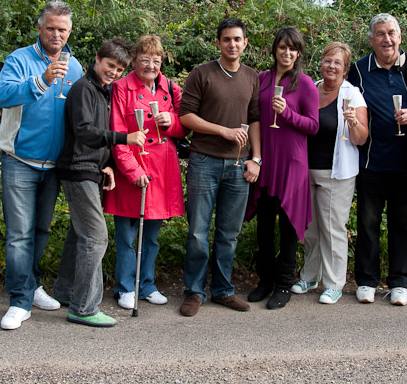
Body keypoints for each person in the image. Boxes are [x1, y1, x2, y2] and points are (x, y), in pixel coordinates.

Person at [347, 13, 407, 306]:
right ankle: (366, 280)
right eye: (380, 34)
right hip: (371, 163)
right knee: (367, 224)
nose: (386, 39)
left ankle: (399, 281)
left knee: (404, 224)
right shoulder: (359, 70)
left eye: (391, 33)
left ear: (400, 37)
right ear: (371, 39)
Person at [0, 1, 83, 330]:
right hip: (19, 160)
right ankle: (18, 301)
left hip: (55, 166)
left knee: (42, 230)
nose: (56, 34)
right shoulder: (19, 59)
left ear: (69, 31)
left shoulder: (75, 67)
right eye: (51, 28)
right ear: (40, 28)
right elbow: (3, 96)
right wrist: (42, 80)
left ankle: (30, 286)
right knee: (19, 234)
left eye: (62, 29)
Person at [52, 38, 146, 327]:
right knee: (96, 237)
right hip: (76, 170)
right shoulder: (83, 89)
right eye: (110, 65)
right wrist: (124, 139)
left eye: (119, 69)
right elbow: (84, 132)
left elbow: (96, 137)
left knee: (80, 235)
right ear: (97, 59)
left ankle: (67, 291)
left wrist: (106, 166)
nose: (114, 72)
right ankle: (83, 307)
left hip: (90, 169)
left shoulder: (102, 91)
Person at [178, 18, 262, 317]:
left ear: (245, 43)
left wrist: (256, 158)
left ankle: (223, 291)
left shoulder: (253, 77)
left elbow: (255, 120)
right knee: (198, 232)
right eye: (227, 39)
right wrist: (222, 131)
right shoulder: (202, 74)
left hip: (240, 165)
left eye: (238, 39)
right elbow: (186, 116)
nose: (232, 44)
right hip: (204, 161)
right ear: (218, 42)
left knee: (229, 233)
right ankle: (194, 291)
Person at [103, 34, 187, 310]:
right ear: (134, 61)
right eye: (144, 60)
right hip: (132, 169)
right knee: (126, 235)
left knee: (151, 235)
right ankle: (126, 286)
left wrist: (172, 121)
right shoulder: (121, 88)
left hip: (162, 171)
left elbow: (184, 127)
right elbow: (117, 132)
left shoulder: (170, 88)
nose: (151, 65)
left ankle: (146, 284)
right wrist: (131, 170)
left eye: (156, 60)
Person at [244, 27, 319, 310]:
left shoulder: (306, 84)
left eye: (293, 49)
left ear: (298, 53)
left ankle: (284, 283)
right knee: (264, 227)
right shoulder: (261, 79)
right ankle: (264, 280)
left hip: (292, 164)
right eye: (282, 47)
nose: (287, 53)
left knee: (287, 226)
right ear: (274, 49)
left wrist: (287, 113)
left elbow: (313, 126)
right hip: (265, 160)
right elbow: (253, 117)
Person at [291, 42, 369, 304]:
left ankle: (334, 283)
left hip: (337, 173)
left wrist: (353, 122)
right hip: (306, 170)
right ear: (321, 63)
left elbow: (361, 139)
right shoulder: (311, 88)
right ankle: (310, 275)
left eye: (337, 63)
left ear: (345, 69)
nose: (331, 66)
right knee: (311, 228)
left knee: (333, 228)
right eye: (327, 60)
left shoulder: (353, 95)